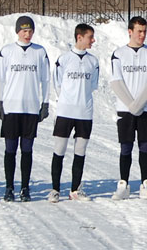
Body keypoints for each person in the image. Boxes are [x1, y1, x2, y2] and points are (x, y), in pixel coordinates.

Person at [0, 15, 50, 202]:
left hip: (30, 108)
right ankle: (9, 187)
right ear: (17, 31)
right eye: (24, 30)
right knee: (10, 149)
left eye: (30, 31)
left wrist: (45, 102)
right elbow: (0, 78)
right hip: (11, 107)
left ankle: (25, 187)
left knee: (27, 149)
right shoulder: (7, 51)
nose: (27, 34)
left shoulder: (40, 52)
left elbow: (46, 79)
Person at [110, 16, 147, 201]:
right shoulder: (118, 54)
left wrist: (139, 104)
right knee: (126, 147)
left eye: (145, 31)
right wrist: (132, 105)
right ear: (130, 32)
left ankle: (145, 184)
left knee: (145, 146)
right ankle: (123, 184)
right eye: (139, 31)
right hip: (126, 109)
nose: (142, 34)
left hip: (146, 109)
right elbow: (116, 82)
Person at [47, 24, 98, 203]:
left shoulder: (93, 62)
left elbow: (92, 86)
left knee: (80, 151)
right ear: (79, 37)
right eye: (90, 37)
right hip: (65, 112)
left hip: (85, 113)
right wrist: (67, 100)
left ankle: (75, 189)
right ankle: (55, 189)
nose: (93, 40)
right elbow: (58, 84)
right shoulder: (64, 59)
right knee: (59, 150)